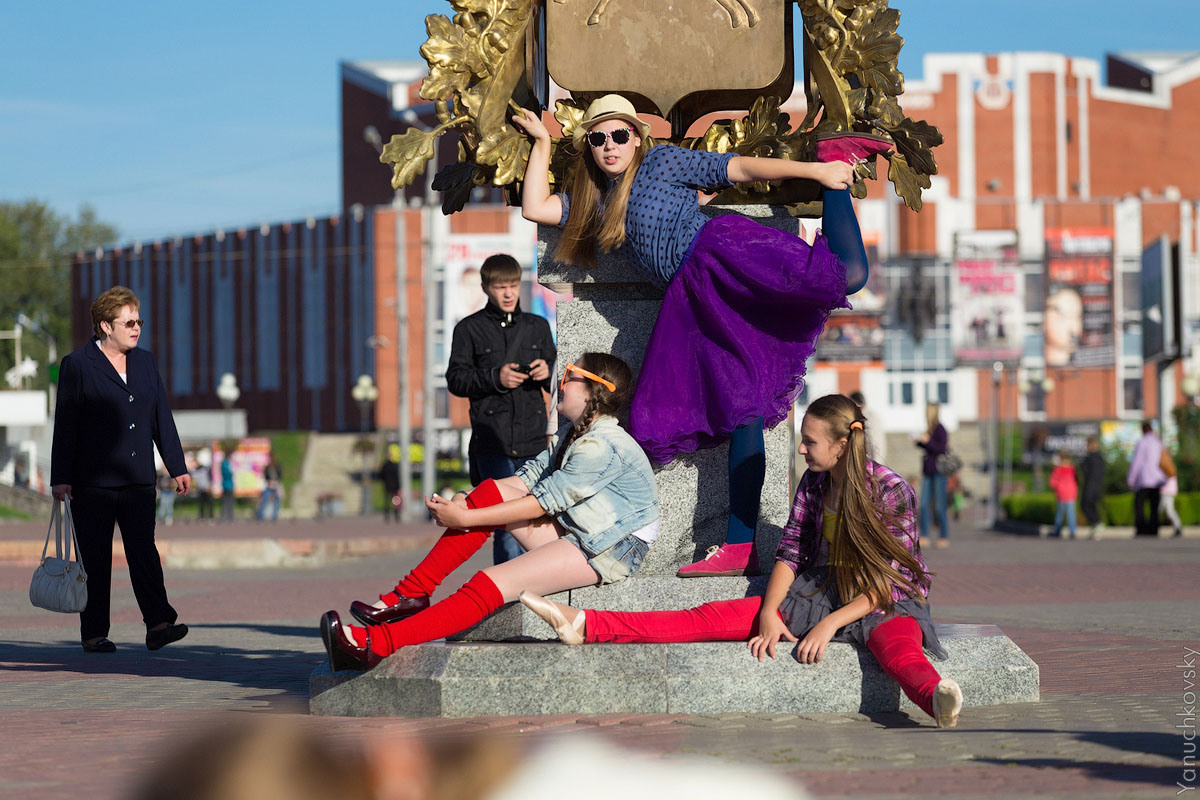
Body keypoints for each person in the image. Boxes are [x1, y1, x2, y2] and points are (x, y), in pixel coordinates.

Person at [512, 95, 882, 577]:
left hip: (724, 258)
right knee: (740, 412)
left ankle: (835, 158)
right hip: (693, 304)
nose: (609, 146)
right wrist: (542, 142)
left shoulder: (664, 161)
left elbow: (738, 168)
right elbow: (535, 207)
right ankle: (739, 544)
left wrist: (818, 174)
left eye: (619, 135)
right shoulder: (598, 202)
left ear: (637, 138)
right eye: (598, 138)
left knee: (847, 275)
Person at [518, 394, 963, 728]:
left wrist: (829, 625)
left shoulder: (890, 489)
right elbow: (790, 551)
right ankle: (586, 624)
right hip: (820, 590)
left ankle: (937, 698)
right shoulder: (814, 482)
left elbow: (892, 580)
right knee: (707, 617)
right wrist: (769, 611)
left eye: (810, 442)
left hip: (882, 600)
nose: (802, 450)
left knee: (900, 651)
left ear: (843, 444)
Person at [320, 353, 659, 671]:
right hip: (583, 530)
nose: (561, 380)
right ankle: (412, 592)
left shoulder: (603, 445)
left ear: (591, 391)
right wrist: (467, 500)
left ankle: (375, 644)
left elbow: (544, 502)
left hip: (611, 547)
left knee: (491, 582)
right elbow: (526, 480)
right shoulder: (575, 434)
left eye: (569, 374)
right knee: (489, 490)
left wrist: (465, 519)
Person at [49, 285, 190, 653]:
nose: (136, 327)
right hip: (93, 481)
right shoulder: (78, 365)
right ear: (104, 326)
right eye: (128, 321)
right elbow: (65, 423)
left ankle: (158, 623)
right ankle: (94, 633)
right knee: (94, 558)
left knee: (144, 551)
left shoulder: (145, 362)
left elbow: (161, 415)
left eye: (138, 320)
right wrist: (60, 477)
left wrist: (177, 466)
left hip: (138, 478)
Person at [445, 253, 557, 565]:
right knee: (507, 525)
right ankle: (508, 605)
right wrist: (497, 377)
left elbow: (560, 374)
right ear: (486, 288)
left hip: (535, 441)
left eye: (512, 285)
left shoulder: (537, 326)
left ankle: (539, 591)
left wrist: (546, 370)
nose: (508, 293)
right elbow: (455, 380)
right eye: (499, 287)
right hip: (492, 442)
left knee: (537, 520)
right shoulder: (469, 329)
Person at [914, 402, 951, 548]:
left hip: (939, 472)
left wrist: (927, 442)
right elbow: (930, 447)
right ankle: (924, 534)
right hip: (928, 471)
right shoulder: (929, 429)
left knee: (938, 505)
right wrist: (920, 443)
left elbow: (941, 448)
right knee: (923, 504)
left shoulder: (940, 429)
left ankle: (943, 535)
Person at [1126, 420, 1166, 537]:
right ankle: (1154, 529)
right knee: (1154, 507)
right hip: (1157, 479)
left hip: (1144, 480)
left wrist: (1131, 479)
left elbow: (1136, 462)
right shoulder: (1158, 442)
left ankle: (1141, 529)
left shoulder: (1142, 443)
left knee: (1139, 506)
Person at [1078, 435, 1106, 536]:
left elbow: (1085, 472)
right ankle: (1095, 526)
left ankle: (1097, 524)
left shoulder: (1090, 458)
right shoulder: (1101, 458)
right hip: (1098, 486)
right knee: (1092, 506)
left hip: (1090, 486)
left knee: (1085, 506)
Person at [849, 389, 886, 465]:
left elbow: (876, 442)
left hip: (871, 461)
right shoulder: (855, 417)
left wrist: (877, 464)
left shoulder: (871, 418)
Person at [1048, 450, 1078, 539]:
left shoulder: (1069, 470)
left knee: (1068, 515)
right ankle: (1061, 530)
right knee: (1062, 515)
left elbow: (1052, 483)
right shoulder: (1067, 470)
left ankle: (1068, 531)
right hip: (1064, 496)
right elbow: (1053, 482)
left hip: (1067, 496)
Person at [1158, 447, 1183, 538]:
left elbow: (1166, 478)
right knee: (1163, 509)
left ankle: (1177, 527)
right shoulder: (1170, 464)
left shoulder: (1166, 464)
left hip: (1167, 490)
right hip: (1169, 490)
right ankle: (1177, 527)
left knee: (1167, 510)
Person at [380, 443, 402, 522]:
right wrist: (398, 486)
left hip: (387, 485)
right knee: (395, 501)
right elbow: (397, 476)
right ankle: (396, 516)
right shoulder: (394, 465)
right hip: (394, 486)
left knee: (388, 501)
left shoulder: (385, 465)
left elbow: (381, 475)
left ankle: (387, 516)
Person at [192, 449, 215, 522]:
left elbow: (209, 477)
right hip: (200, 489)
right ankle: (202, 516)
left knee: (209, 503)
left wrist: (209, 486)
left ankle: (211, 517)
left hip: (206, 488)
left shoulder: (204, 469)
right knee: (201, 504)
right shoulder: (194, 471)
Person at [220, 447, 236, 522]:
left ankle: (227, 515)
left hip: (226, 484)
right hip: (228, 484)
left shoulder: (224, 463)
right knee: (228, 501)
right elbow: (229, 473)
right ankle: (228, 516)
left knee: (226, 501)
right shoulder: (226, 463)